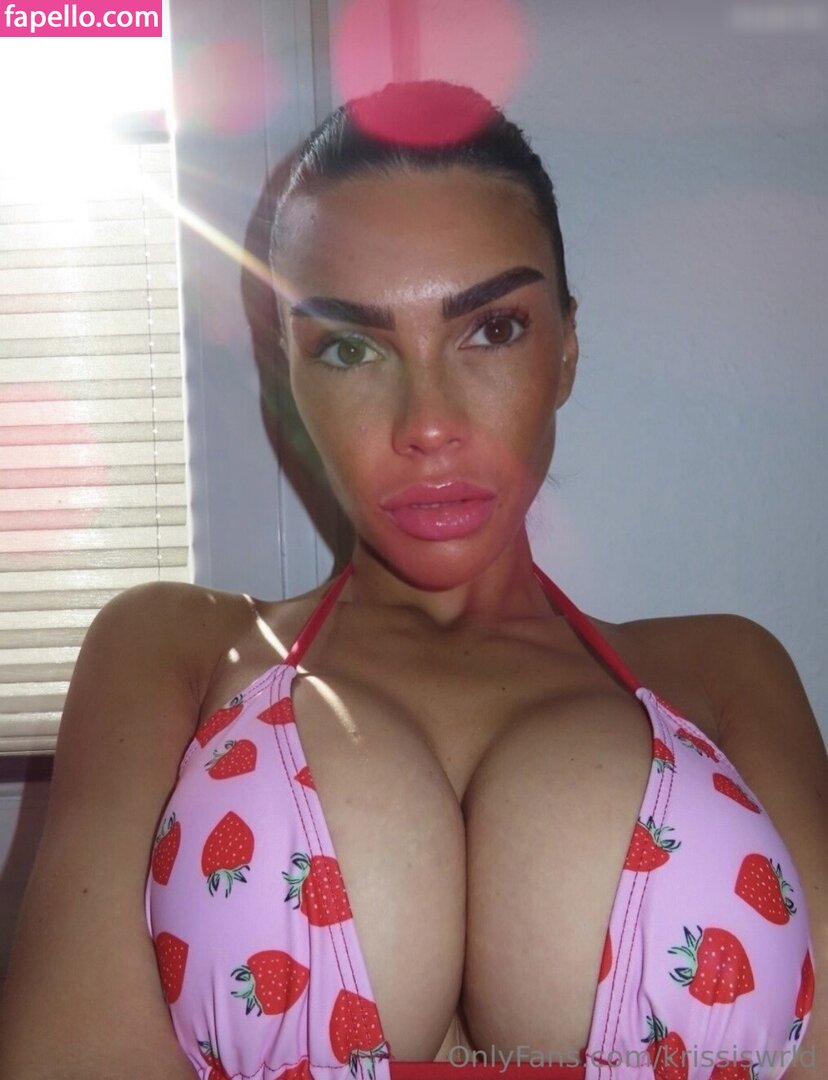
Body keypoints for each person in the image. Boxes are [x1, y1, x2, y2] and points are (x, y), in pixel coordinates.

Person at [0, 80, 824, 1080]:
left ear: (567, 348)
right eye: (351, 347)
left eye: (492, 330)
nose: (427, 423)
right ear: (289, 377)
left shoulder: (727, 673)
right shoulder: (168, 655)